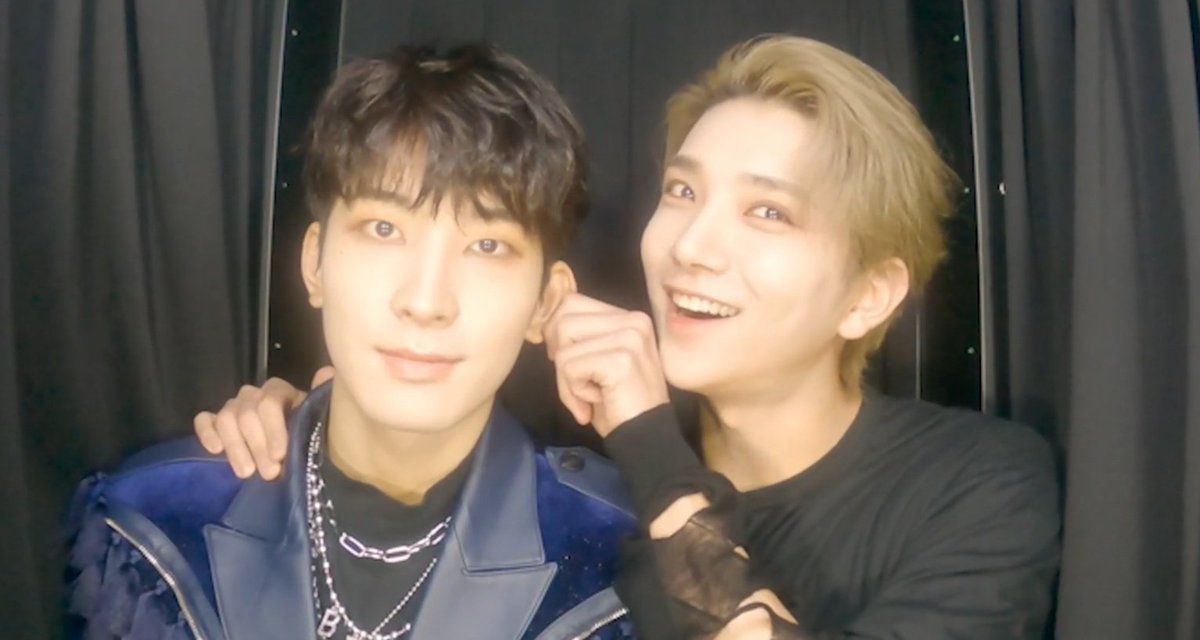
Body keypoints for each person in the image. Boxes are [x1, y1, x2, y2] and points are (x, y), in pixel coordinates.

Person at [197, 35, 1061, 639]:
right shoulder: (576, 451)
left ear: (869, 296)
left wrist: (647, 443)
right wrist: (291, 427)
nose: (691, 246)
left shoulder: (978, 484)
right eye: (683, 193)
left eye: (768, 212)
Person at [65, 44, 639, 640]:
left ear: (545, 302)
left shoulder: (621, 566)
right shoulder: (150, 529)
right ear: (314, 263)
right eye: (384, 229)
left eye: (487, 246)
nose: (425, 301)